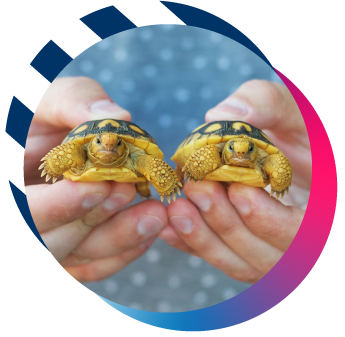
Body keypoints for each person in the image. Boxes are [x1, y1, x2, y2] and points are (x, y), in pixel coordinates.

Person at [24, 76, 311, 283]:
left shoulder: (140, 157)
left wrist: (286, 182)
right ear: (92, 144)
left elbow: (277, 161)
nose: (108, 147)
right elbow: (65, 152)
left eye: (246, 150)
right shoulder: (80, 151)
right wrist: (47, 163)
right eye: (101, 143)